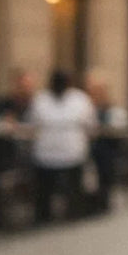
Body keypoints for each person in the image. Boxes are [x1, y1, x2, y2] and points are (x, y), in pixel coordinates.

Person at [27, 70, 96, 223]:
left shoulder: (79, 99)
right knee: (46, 187)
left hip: (70, 150)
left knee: (71, 184)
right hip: (48, 151)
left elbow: (89, 125)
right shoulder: (41, 99)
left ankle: (71, 211)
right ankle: (47, 214)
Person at [85, 70, 128, 214]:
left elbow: (119, 129)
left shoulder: (113, 109)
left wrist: (102, 131)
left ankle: (103, 199)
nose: (95, 93)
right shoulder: (85, 107)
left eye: (98, 90)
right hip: (84, 148)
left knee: (104, 158)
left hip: (106, 148)